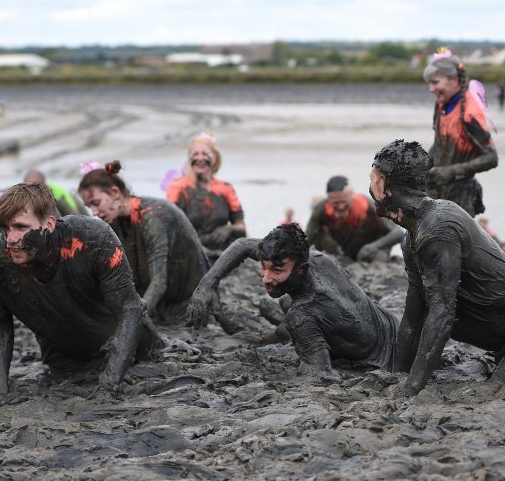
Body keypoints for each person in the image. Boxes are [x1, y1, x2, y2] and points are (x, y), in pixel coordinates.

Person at [369, 139, 505, 397]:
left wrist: (412, 389)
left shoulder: (438, 228)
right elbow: (413, 318)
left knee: (495, 396)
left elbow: (442, 314)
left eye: (371, 179)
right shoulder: (411, 238)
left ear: (382, 186)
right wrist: (397, 378)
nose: (369, 187)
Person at [0, 182, 163, 395]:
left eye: (20, 227)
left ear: (48, 224)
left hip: (136, 355)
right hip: (65, 365)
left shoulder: (94, 239)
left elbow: (130, 309)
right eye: (5, 228)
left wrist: (109, 384)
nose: (10, 239)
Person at [186, 223, 397, 377]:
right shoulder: (318, 259)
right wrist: (207, 285)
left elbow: (320, 377)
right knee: (283, 303)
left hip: (383, 358)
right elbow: (241, 244)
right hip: (390, 326)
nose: (267, 278)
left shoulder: (301, 316)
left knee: (286, 316)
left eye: (277, 270)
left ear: (301, 268)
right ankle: (276, 324)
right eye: (263, 267)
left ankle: (275, 329)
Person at [78, 161, 209, 324]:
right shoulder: (115, 219)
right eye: (89, 206)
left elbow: (159, 282)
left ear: (115, 192)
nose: (94, 212)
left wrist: (134, 323)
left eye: (96, 203)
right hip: (160, 307)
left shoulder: (153, 216)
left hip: (188, 306)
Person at [423, 50, 498, 217]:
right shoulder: (442, 104)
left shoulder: (470, 113)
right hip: (436, 190)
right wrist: (422, 166)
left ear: (454, 80)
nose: (431, 88)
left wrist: (450, 171)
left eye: (435, 82)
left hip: (461, 197)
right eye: (429, 83)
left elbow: (491, 158)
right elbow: (440, 144)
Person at [166, 132, 246, 252]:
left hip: (222, 254)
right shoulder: (177, 187)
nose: (200, 158)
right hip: (189, 254)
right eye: (195, 154)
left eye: (205, 154)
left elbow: (242, 228)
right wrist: (197, 248)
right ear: (189, 158)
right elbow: (168, 226)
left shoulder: (225, 188)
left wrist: (228, 229)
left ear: (214, 157)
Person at [306, 175, 404, 262]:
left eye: (344, 201)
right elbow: (307, 239)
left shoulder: (369, 206)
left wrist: (374, 246)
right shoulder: (321, 209)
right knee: (321, 237)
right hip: (343, 253)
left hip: (371, 251)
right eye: (336, 203)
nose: (341, 207)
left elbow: (398, 233)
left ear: (351, 196)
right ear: (329, 199)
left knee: (378, 256)